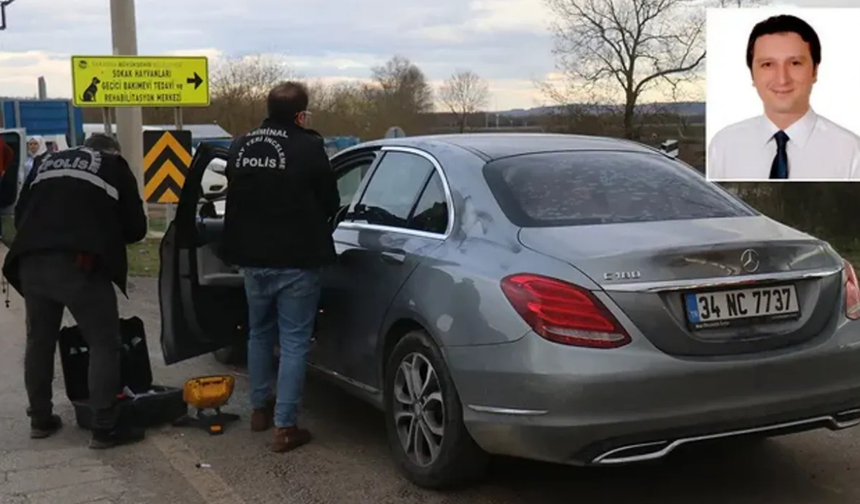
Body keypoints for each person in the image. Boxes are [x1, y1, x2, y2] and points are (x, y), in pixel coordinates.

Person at [1, 133, 148, 448]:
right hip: (79, 264)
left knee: (39, 340)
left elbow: (20, 212)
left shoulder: (44, 162)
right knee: (104, 342)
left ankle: (40, 419)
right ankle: (105, 426)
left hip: (31, 260)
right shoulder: (113, 166)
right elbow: (136, 228)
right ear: (113, 152)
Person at [221, 81, 340, 453]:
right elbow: (330, 200)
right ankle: (285, 427)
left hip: (252, 259)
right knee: (293, 342)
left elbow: (234, 190)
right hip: (297, 260)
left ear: (268, 108)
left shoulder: (241, 145)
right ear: (301, 114)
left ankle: (259, 409)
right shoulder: (308, 146)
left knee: (258, 333)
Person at [707, 14, 860, 181]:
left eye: (795, 63)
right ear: (752, 74)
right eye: (767, 64)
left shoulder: (850, 152)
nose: (782, 79)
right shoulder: (723, 146)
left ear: (814, 71)